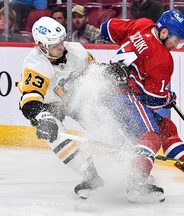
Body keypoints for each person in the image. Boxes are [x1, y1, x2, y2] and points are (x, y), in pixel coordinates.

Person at [100, 9, 184, 203]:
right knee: (151, 136)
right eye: (176, 40)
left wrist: (128, 56)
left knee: (166, 129)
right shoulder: (163, 59)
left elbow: (106, 29)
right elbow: (153, 100)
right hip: (124, 96)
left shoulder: (143, 24)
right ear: (163, 32)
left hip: (110, 91)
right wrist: (168, 98)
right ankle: (136, 184)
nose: (176, 45)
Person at [17, 16, 128, 199]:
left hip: (73, 99)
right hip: (46, 106)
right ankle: (90, 176)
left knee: (100, 124)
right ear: (41, 46)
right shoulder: (35, 64)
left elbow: (95, 71)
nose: (61, 47)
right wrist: (42, 119)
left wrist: (110, 72)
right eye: (54, 45)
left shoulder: (77, 51)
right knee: (56, 137)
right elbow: (29, 102)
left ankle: (134, 168)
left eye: (61, 41)